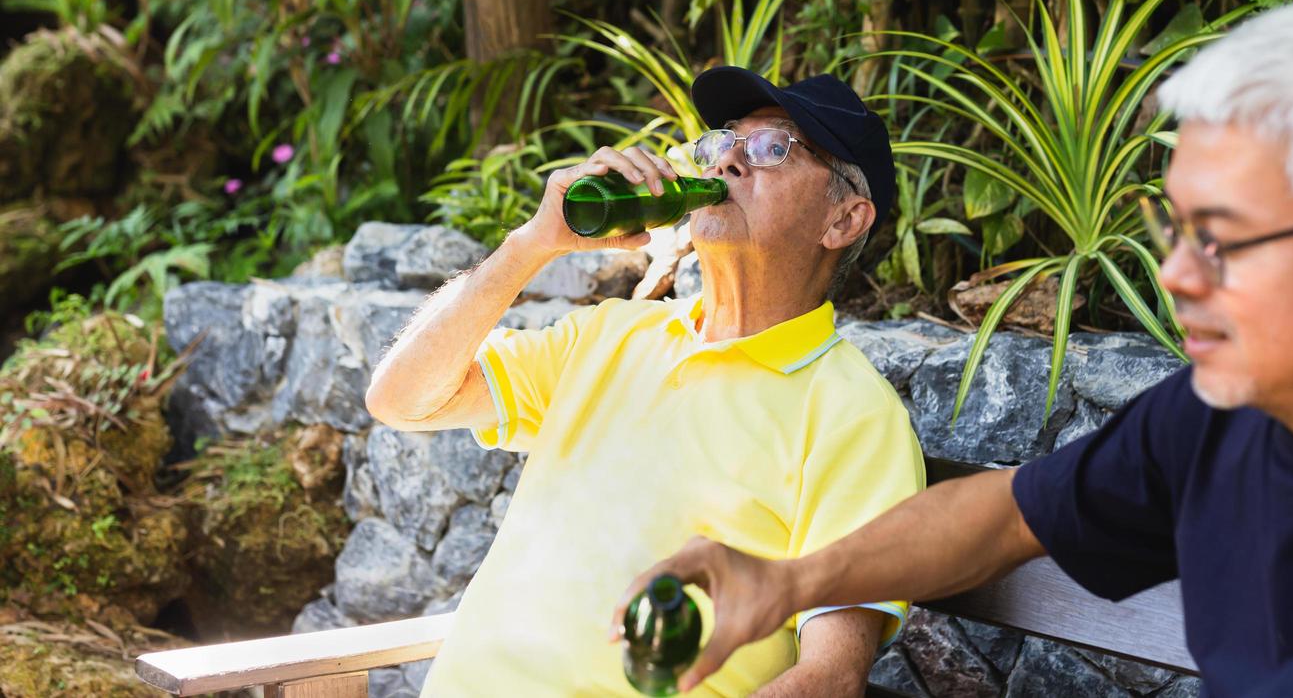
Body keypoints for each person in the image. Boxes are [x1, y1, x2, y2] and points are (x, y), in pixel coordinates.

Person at [622, 0, 1293, 696]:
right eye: (1173, 227)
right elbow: (1004, 514)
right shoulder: (1227, 410)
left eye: (1224, 239)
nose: (1175, 275)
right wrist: (795, 582)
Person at [366, 69, 925, 696]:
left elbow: (829, 677)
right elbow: (401, 399)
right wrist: (532, 243)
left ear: (844, 221)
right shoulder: (614, 335)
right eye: (722, 143)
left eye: (773, 148)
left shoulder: (852, 415)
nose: (729, 163)